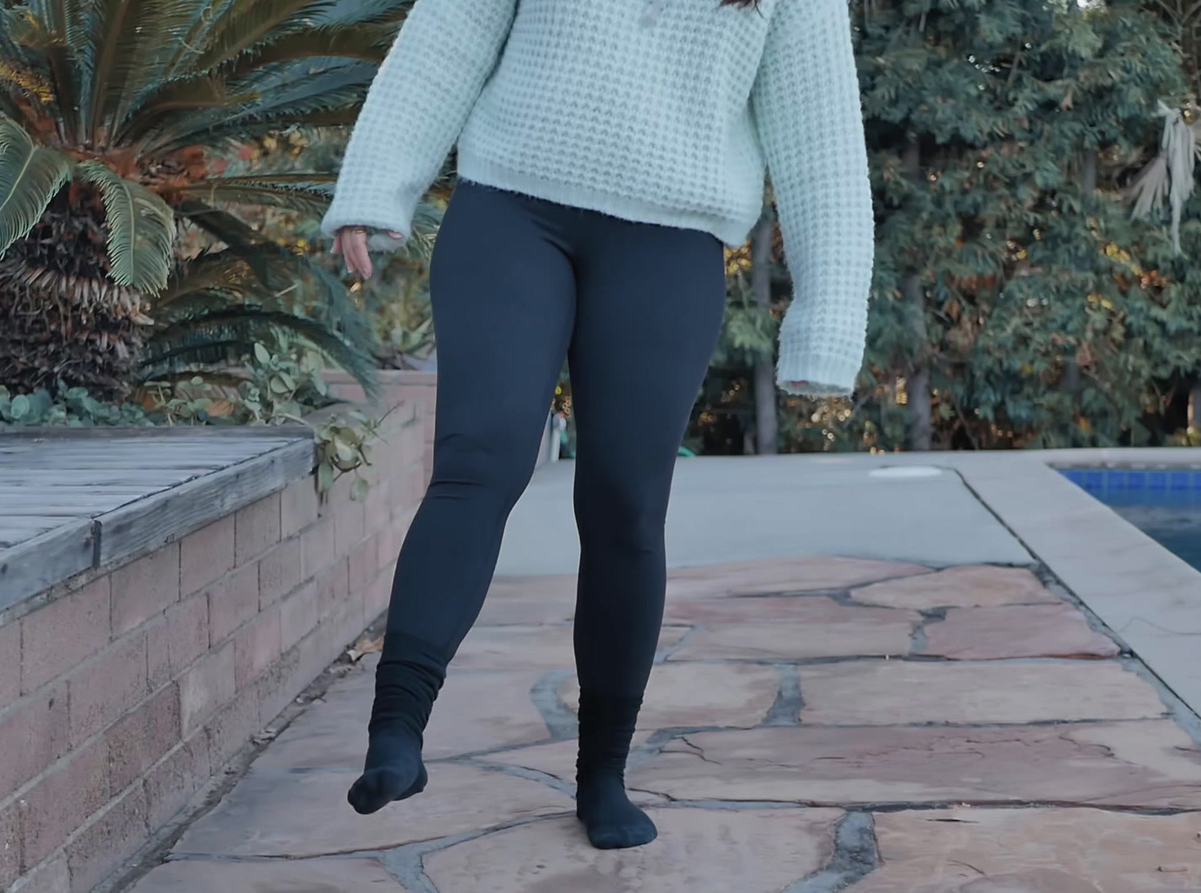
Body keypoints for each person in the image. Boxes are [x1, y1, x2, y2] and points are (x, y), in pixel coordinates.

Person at [320, 0, 873, 850]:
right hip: (512, 209)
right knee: (483, 455)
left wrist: (827, 323)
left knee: (623, 504)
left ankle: (602, 774)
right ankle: (396, 730)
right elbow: (451, 30)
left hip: (671, 242)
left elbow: (821, 141)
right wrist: (375, 184)